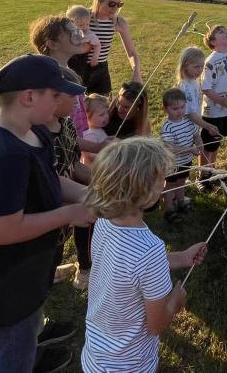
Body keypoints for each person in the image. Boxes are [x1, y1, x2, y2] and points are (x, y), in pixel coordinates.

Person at [0, 54, 95, 372]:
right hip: (5, 286)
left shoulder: (35, 133)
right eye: (55, 95)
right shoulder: (6, 157)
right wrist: (69, 214)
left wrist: (87, 195)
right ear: (29, 97)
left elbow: (51, 177)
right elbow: (3, 230)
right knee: (8, 356)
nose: (62, 102)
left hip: (25, 272)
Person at [81, 137, 207, 372]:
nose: (165, 183)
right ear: (144, 191)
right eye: (160, 179)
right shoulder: (150, 249)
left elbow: (128, 268)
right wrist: (175, 301)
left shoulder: (104, 222)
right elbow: (156, 325)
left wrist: (181, 257)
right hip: (131, 364)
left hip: (95, 357)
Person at [29, 15, 108, 157]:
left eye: (78, 32)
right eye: (73, 34)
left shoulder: (68, 72)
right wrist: (97, 147)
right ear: (52, 44)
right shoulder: (53, 81)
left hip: (75, 147)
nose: (80, 36)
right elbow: (61, 134)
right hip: (62, 153)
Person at [47, 67, 95, 292]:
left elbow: (74, 164)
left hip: (67, 214)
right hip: (47, 220)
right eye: (73, 97)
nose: (78, 104)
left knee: (58, 248)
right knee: (48, 255)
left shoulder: (66, 124)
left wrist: (103, 181)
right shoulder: (36, 138)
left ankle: (51, 271)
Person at [76, 0, 142, 95]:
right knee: (79, 104)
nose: (115, 8)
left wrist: (136, 72)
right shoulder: (83, 16)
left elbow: (131, 52)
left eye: (119, 4)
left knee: (102, 104)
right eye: (111, 4)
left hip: (101, 71)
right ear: (99, 0)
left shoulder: (118, 22)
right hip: (79, 69)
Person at [199, 25, 227, 188]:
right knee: (208, 143)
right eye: (221, 33)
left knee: (217, 140)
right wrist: (221, 101)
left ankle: (212, 170)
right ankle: (203, 175)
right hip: (213, 111)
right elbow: (205, 88)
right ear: (213, 42)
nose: (226, 33)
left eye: (226, 31)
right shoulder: (210, 62)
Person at [159, 88, 202, 224]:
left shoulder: (188, 121)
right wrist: (190, 149)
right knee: (171, 185)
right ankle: (169, 209)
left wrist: (199, 143)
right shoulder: (167, 127)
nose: (180, 111)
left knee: (181, 182)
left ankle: (181, 202)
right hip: (172, 164)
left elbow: (196, 135)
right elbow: (170, 148)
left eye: (182, 107)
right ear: (166, 109)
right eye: (175, 108)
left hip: (186, 161)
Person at [175, 46, 220, 142]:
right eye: (196, 67)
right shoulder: (185, 88)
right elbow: (191, 114)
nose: (200, 70)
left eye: (202, 66)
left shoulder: (194, 81)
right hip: (184, 131)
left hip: (193, 128)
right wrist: (208, 126)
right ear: (185, 66)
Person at [64, 5, 101, 73]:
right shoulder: (67, 32)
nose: (85, 27)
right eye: (81, 25)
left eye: (87, 24)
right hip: (67, 57)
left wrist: (95, 57)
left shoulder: (89, 34)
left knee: (78, 75)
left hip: (80, 59)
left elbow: (97, 44)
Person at [81, 94, 110, 165]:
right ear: (87, 116)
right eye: (102, 114)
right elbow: (90, 157)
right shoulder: (90, 134)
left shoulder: (98, 129)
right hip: (93, 169)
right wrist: (109, 153)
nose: (106, 116)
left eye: (107, 112)